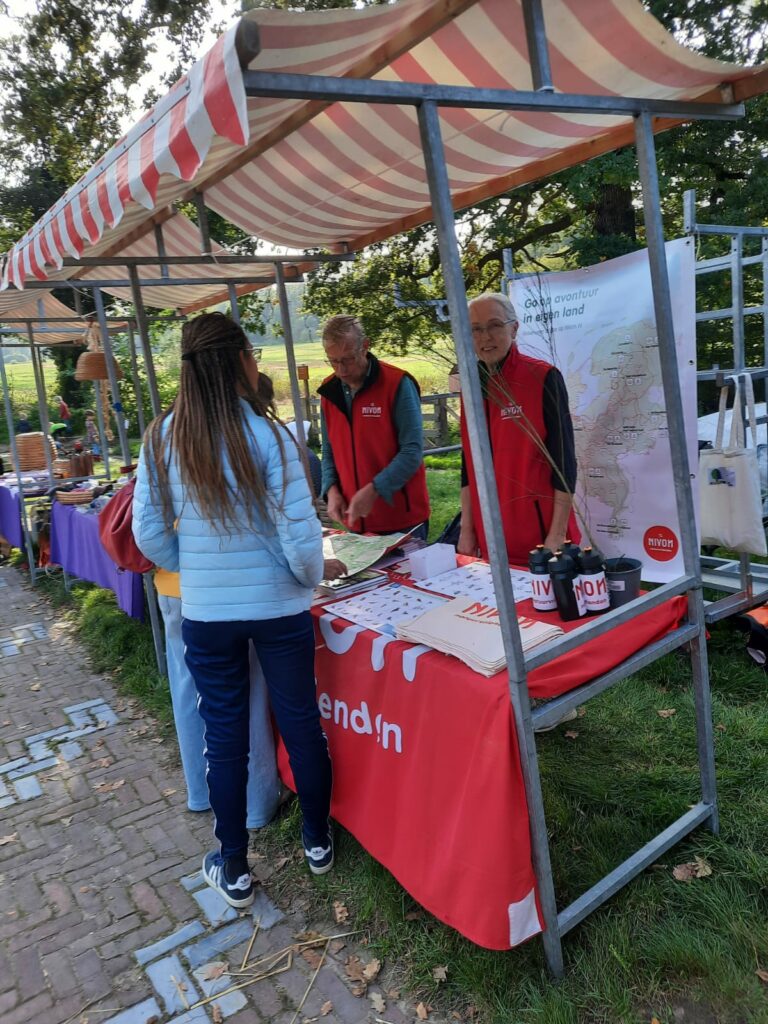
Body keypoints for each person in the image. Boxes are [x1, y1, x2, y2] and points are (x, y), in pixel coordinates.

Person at [133, 311, 341, 909]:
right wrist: (308, 578)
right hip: (278, 607)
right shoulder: (271, 436)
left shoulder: (163, 437)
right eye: (252, 353)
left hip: (208, 614)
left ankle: (234, 865)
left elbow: (149, 535)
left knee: (223, 740)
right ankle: (317, 841)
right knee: (301, 721)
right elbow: (301, 540)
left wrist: (195, 564)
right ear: (240, 362)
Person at [458, 292, 579, 564]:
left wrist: (557, 535)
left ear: (514, 328)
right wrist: (467, 529)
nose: (485, 337)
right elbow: (468, 465)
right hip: (489, 537)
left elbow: (565, 463)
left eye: (495, 325)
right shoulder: (470, 385)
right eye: (475, 329)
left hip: (541, 540)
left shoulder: (542, 377)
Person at [319, 315, 430, 537]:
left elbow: (412, 450)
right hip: (355, 521)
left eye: (348, 359)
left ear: (365, 346)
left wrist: (374, 490)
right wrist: (331, 490)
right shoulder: (329, 390)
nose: (341, 370)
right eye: (333, 361)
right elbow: (329, 449)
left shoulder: (397, 383)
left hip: (402, 521)